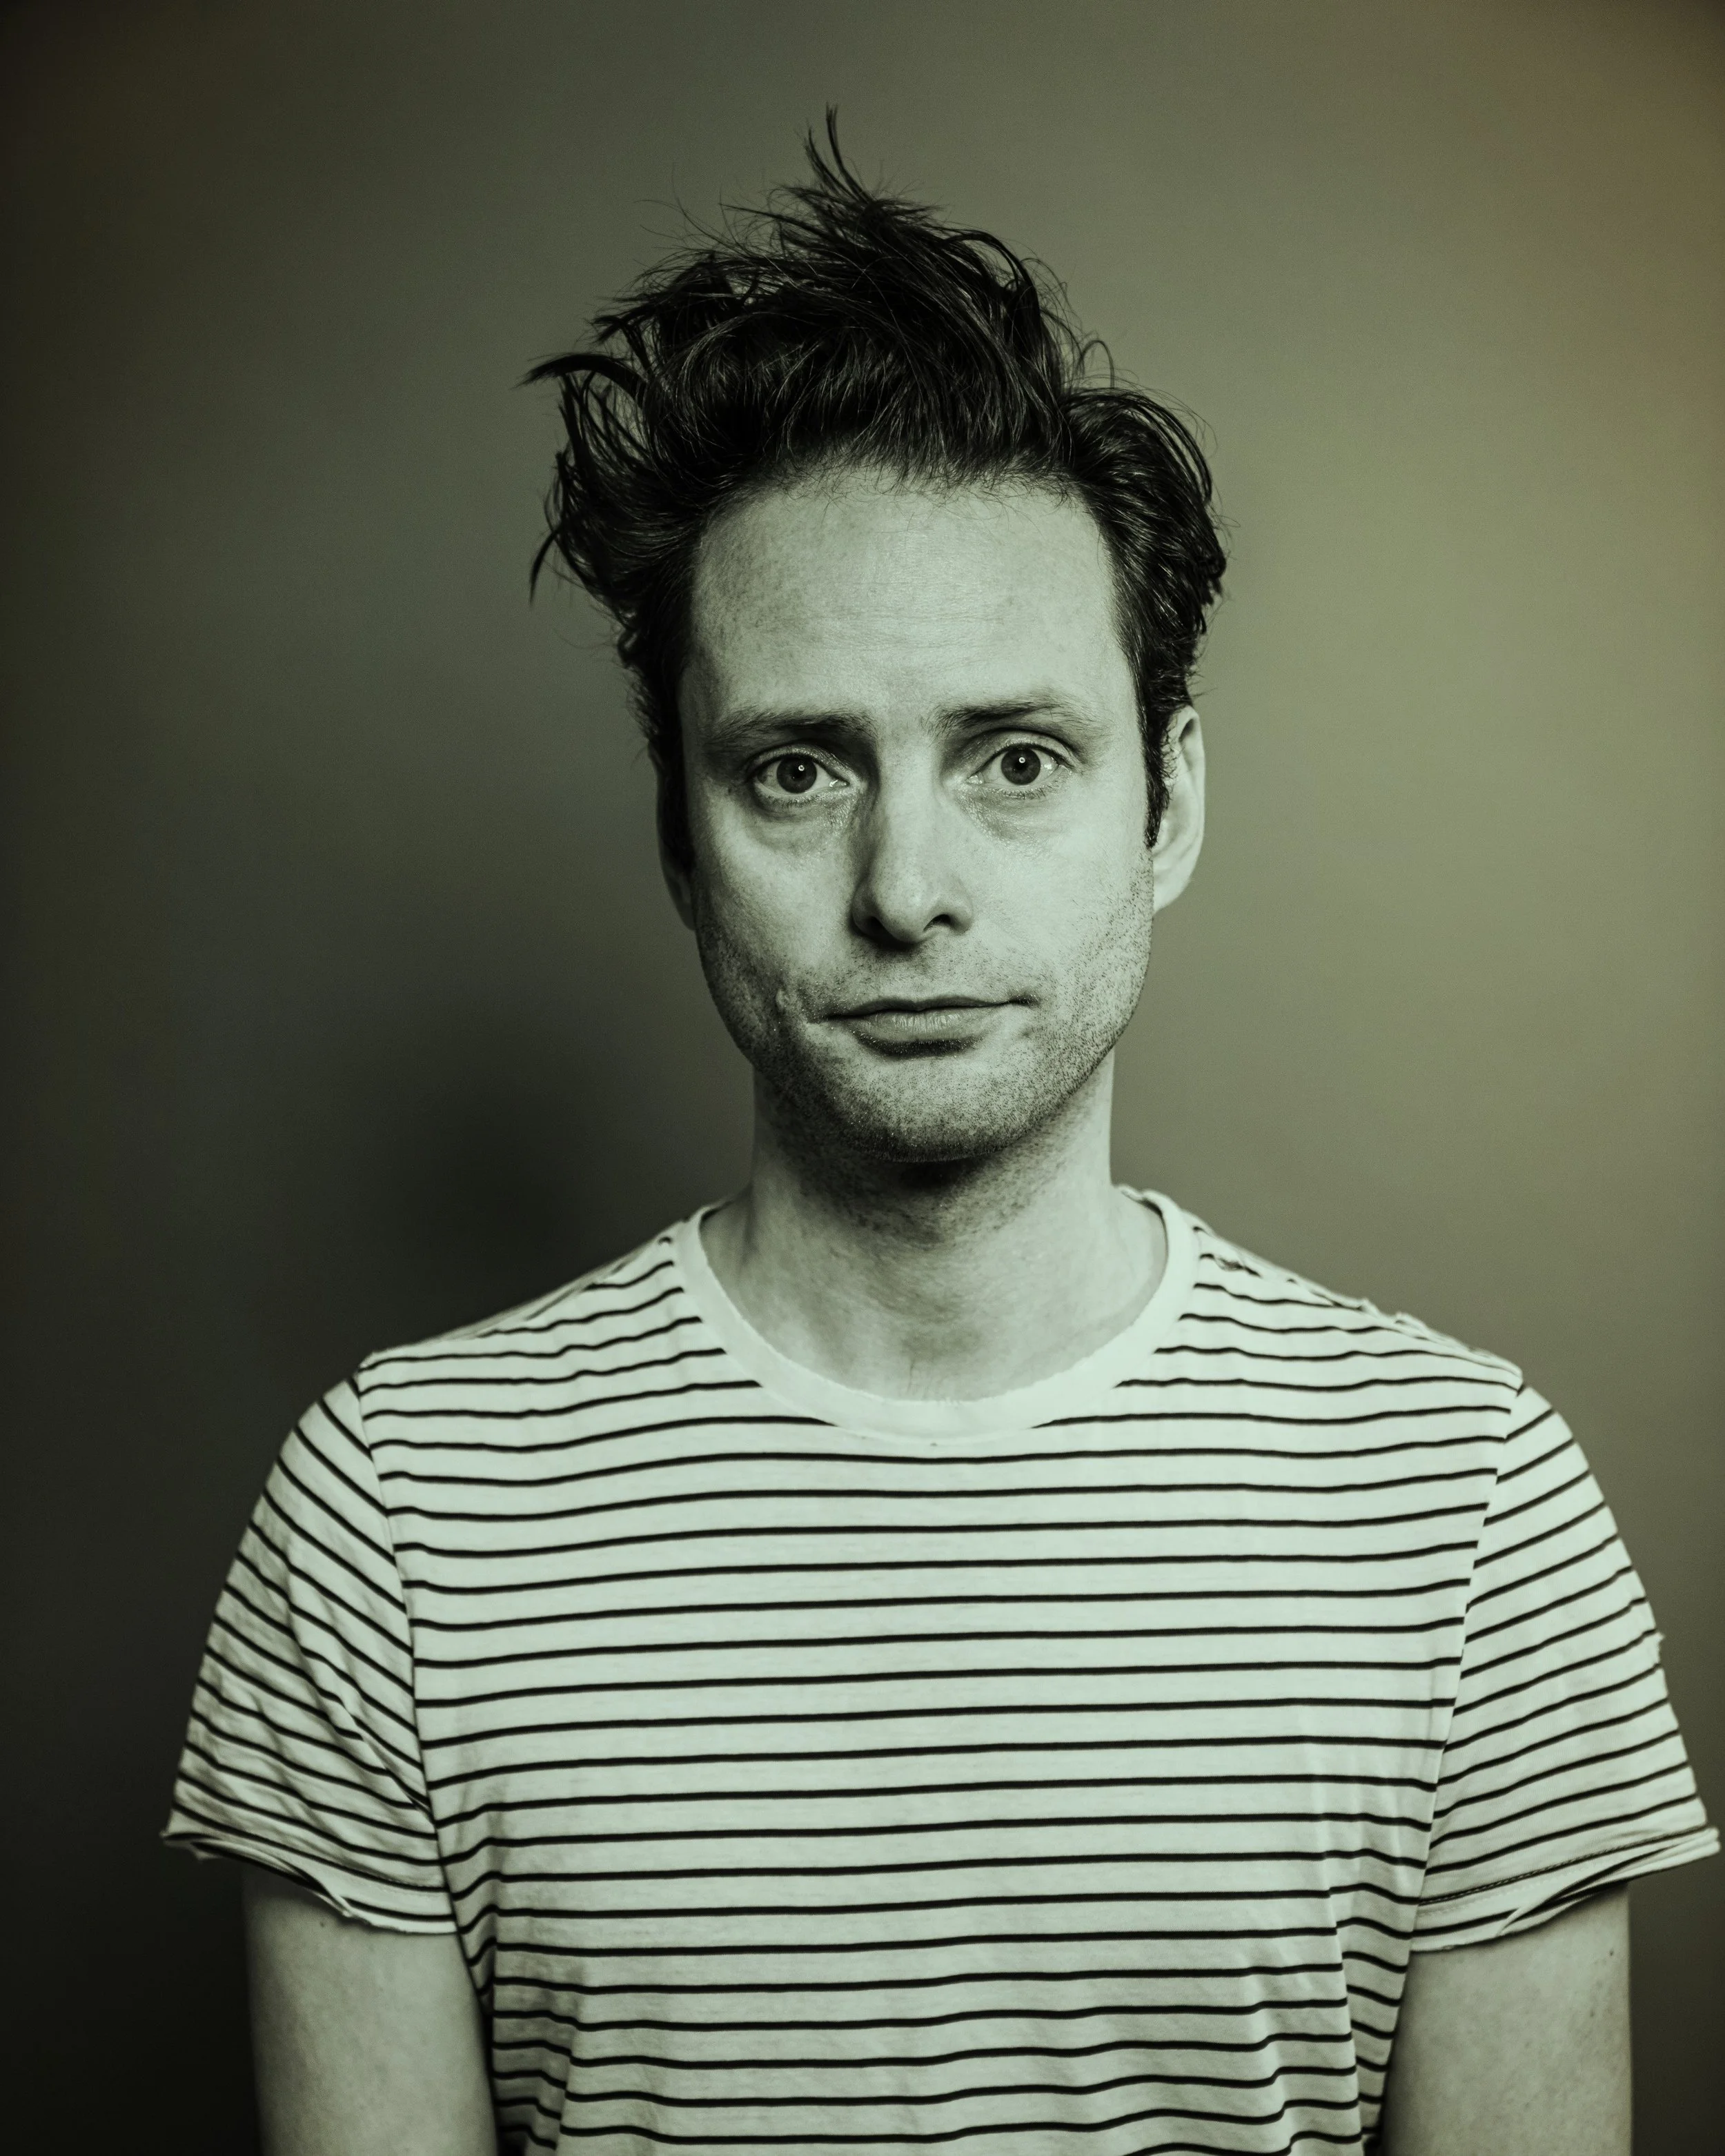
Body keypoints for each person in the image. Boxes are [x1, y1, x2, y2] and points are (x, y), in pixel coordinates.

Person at [166, 128, 1714, 2156]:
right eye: (796, 767)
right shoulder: (395, 1519)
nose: (907, 885)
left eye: (1014, 758)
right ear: (676, 836)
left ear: (1163, 806)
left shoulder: (1462, 1509)